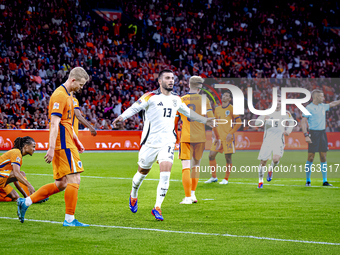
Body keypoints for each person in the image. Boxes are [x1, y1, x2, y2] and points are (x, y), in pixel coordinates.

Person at [112, 69, 215, 221]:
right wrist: (122, 117)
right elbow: (135, 107)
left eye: (172, 78)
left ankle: (157, 207)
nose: (171, 80)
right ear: (160, 81)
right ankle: (134, 194)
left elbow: (188, 113)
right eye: (167, 78)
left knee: (165, 174)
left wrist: (206, 120)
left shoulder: (177, 99)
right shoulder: (151, 96)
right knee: (141, 174)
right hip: (149, 143)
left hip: (167, 142)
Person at [17, 67, 90, 226]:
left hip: (67, 142)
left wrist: (76, 140)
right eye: (81, 84)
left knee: (62, 183)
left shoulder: (68, 95)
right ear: (73, 80)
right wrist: (50, 148)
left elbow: (67, 123)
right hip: (62, 144)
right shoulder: (59, 95)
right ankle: (69, 220)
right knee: (75, 178)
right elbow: (55, 124)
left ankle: (26, 202)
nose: (81, 88)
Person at [175, 76, 218, 204]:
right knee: (196, 165)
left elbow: (175, 121)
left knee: (185, 166)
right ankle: (193, 194)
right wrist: (217, 136)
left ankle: (187, 197)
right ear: (200, 87)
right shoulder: (205, 100)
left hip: (186, 136)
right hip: (200, 137)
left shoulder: (181, 100)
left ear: (189, 85)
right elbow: (212, 120)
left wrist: (174, 135)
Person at [301, 89, 340, 187]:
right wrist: (306, 135)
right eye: (322, 96)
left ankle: (325, 181)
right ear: (316, 97)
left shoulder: (323, 106)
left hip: (322, 133)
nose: (323, 98)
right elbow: (303, 122)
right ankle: (308, 180)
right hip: (313, 134)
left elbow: (333, 103)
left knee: (323, 157)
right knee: (311, 157)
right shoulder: (308, 108)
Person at [255, 96, 295, 188]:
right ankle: (260, 181)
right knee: (263, 162)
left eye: (280, 101)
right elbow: (257, 122)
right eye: (276, 101)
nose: (278, 103)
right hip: (267, 140)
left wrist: (288, 131)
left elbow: (292, 122)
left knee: (276, 159)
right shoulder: (267, 112)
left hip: (279, 140)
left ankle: (271, 169)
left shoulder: (286, 113)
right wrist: (263, 119)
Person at [205, 91, 242, 184]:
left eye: (226, 96)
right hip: (218, 138)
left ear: (230, 99)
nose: (224, 96)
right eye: (223, 95)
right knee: (211, 156)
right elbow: (215, 122)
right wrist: (214, 132)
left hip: (228, 138)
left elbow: (239, 123)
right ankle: (214, 177)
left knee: (228, 158)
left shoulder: (232, 109)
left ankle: (226, 179)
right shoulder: (217, 109)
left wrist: (231, 133)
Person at [0, 137, 40, 202]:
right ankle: (31, 196)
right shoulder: (16, 152)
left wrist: (26, 197)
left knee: (16, 197)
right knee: (21, 174)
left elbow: (16, 179)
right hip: (1, 177)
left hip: (2, 179)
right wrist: (29, 186)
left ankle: (29, 196)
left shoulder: (19, 156)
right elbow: (16, 174)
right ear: (26, 146)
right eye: (33, 147)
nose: (34, 149)